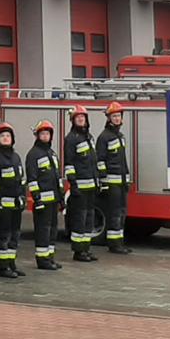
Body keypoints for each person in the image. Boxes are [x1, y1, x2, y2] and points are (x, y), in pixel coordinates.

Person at [0, 123, 27, 279]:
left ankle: (11, 263)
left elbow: (21, 180)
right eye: (2, 136)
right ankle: (2, 267)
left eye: (8, 136)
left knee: (14, 235)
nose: (5, 138)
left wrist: (22, 196)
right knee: (3, 235)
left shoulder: (16, 157)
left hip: (16, 204)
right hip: (2, 205)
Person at [61, 105, 100, 262]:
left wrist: (97, 181)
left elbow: (93, 161)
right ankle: (78, 251)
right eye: (78, 118)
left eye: (83, 117)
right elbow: (69, 164)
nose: (81, 120)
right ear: (73, 120)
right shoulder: (71, 139)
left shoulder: (88, 137)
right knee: (79, 219)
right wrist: (73, 184)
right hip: (80, 188)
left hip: (91, 186)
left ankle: (86, 248)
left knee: (89, 218)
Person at [25, 120, 65, 270]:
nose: (45, 136)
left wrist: (61, 198)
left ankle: (50, 258)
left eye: (47, 133)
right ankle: (42, 260)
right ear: (37, 136)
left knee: (52, 230)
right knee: (43, 230)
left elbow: (57, 177)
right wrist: (37, 199)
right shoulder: (33, 154)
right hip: (42, 202)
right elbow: (32, 179)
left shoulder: (51, 153)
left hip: (53, 200)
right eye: (42, 133)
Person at [96, 101, 133, 254]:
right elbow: (100, 161)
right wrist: (104, 182)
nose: (117, 118)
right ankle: (114, 244)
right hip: (112, 183)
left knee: (122, 212)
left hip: (121, 181)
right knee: (115, 213)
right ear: (109, 118)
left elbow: (123, 160)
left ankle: (119, 242)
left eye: (118, 116)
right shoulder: (104, 137)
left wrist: (127, 179)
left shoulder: (120, 136)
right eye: (114, 116)